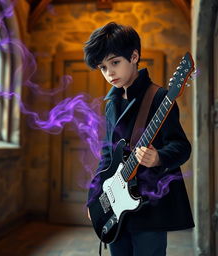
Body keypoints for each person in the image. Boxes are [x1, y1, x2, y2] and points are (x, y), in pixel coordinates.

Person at [83, 22, 194, 256]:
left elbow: (181, 146)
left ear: (134, 57)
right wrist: (94, 198)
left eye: (114, 63)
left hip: (149, 207)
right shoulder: (111, 102)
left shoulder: (160, 97)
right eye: (102, 67)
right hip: (115, 208)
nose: (109, 73)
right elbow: (107, 155)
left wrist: (159, 157)